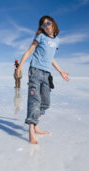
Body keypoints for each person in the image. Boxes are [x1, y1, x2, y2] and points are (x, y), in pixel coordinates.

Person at [17, 16, 69, 144]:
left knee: (45, 102)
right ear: (41, 28)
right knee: (35, 100)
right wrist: (21, 65)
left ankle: (36, 126)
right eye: (43, 25)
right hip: (35, 71)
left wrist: (60, 70)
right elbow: (29, 51)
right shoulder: (40, 37)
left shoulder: (57, 41)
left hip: (46, 74)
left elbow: (51, 58)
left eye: (48, 23)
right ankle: (31, 131)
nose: (46, 26)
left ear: (53, 24)